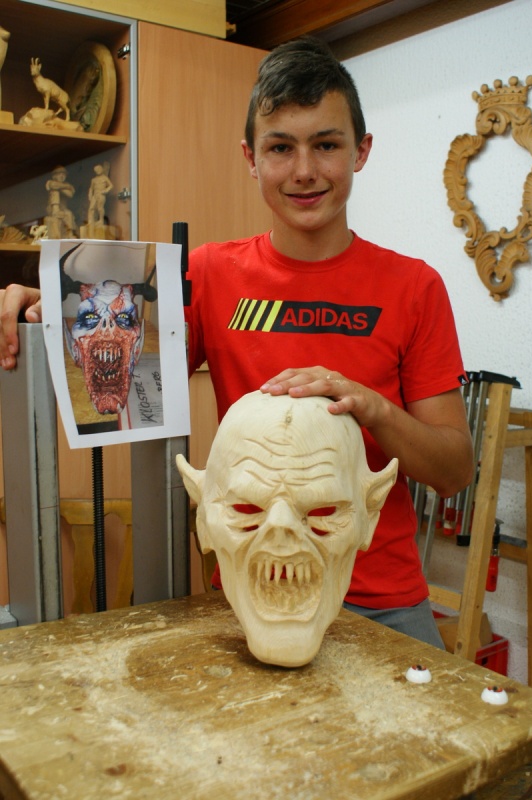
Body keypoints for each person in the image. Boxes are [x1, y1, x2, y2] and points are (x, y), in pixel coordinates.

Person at [0, 37, 473, 648]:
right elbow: (110, 366)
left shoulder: (415, 287)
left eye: (326, 145)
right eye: (280, 147)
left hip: (385, 604)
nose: (304, 171)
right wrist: (47, 309)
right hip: (254, 587)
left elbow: (453, 470)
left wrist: (372, 406)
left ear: (361, 150)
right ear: (251, 158)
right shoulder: (208, 274)